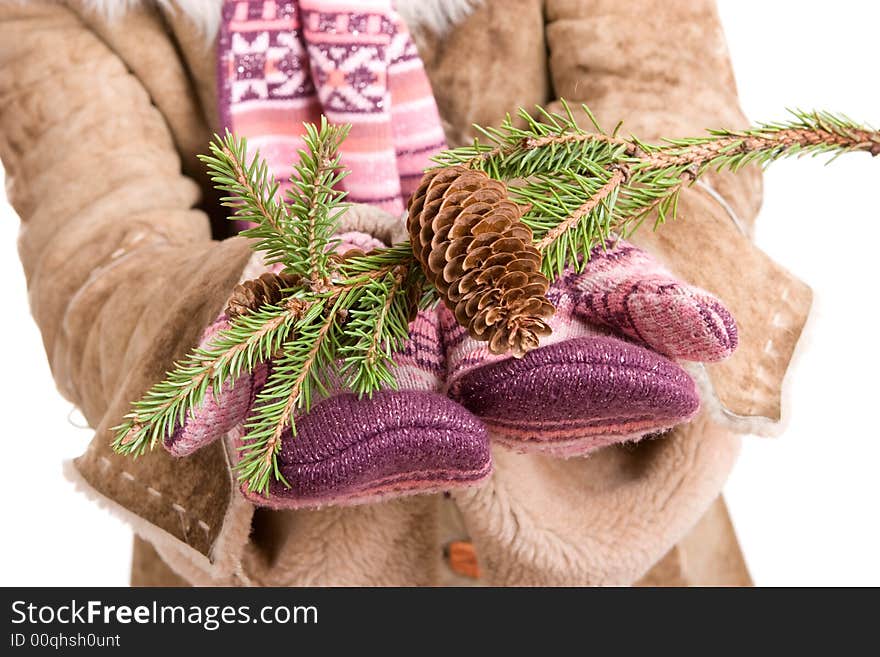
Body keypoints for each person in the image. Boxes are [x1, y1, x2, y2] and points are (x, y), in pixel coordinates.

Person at [0, 0, 810, 586]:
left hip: (609, 496)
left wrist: (570, 252)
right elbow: (102, 256)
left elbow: (673, 113)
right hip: (285, 537)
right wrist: (279, 300)